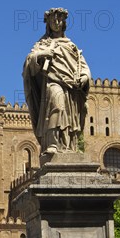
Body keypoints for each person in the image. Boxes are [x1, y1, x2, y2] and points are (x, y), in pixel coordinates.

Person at [22, 8, 91, 155]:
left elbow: (83, 66)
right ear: (48, 23)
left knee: (70, 116)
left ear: (64, 23)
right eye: (53, 20)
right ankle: (53, 143)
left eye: (59, 20)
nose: (57, 23)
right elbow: (29, 62)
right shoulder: (43, 43)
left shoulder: (70, 45)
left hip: (71, 86)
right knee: (56, 105)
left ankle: (68, 145)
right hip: (53, 82)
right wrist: (42, 54)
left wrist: (84, 78)